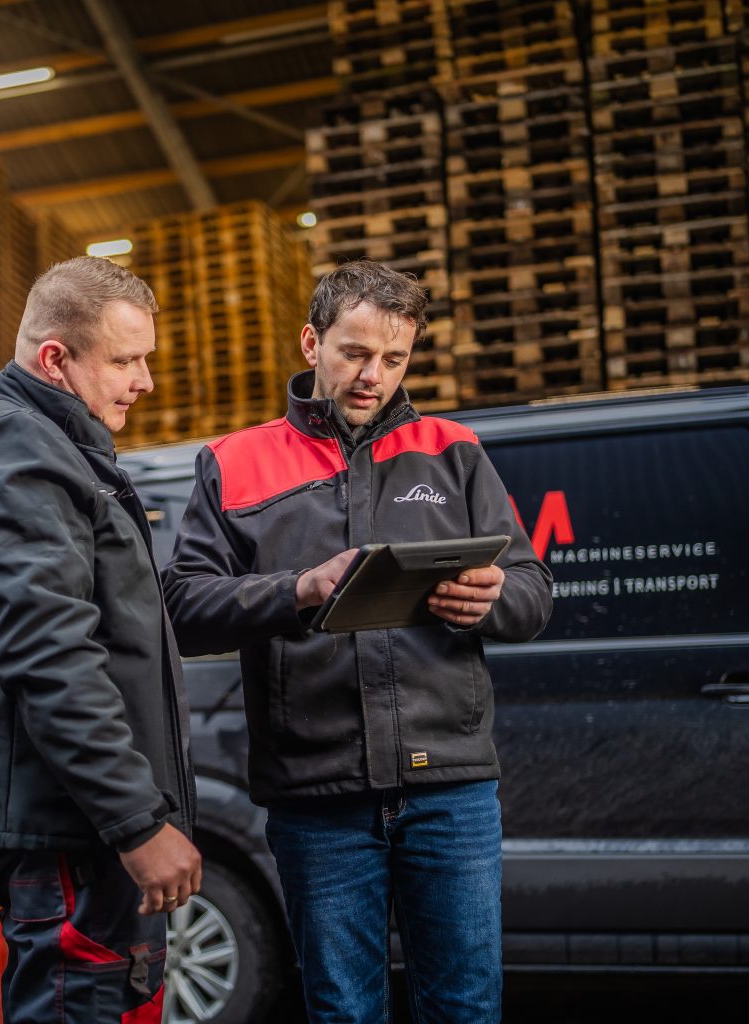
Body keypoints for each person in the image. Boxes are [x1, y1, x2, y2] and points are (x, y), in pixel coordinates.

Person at [163, 259, 551, 1023]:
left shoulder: (455, 451)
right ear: (312, 341)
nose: (374, 374)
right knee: (342, 1010)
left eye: (395, 358)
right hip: (318, 797)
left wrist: (493, 599)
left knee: (467, 1007)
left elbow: (534, 591)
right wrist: (297, 589)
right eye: (355, 352)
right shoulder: (234, 463)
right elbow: (180, 605)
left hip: (451, 790)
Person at [0, 256, 199, 1023]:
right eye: (126, 361)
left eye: (147, 360)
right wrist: (137, 820)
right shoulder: (18, 453)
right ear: (56, 359)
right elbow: (51, 656)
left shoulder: (56, 449)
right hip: (76, 831)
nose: (144, 382)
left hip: (85, 824)